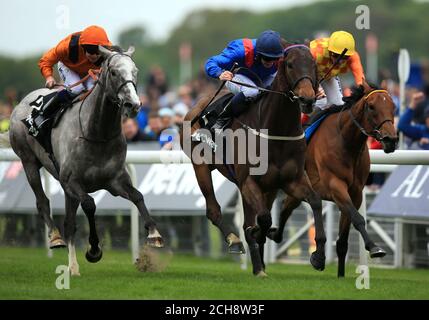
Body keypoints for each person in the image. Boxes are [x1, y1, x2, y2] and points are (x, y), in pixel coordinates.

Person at [30, 25, 112, 133]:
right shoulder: (66, 46)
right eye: (92, 51)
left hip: (90, 72)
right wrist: (49, 77)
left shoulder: (108, 50)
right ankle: (41, 117)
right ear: (83, 47)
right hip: (68, 67)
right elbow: (45, 60)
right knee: (77, 89)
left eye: (99, 51)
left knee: (95, 92)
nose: (96, 56)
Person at [205, 30, 284, 130]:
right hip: (237, 76)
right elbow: (211, 62)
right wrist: (219, 73)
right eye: (267, 58)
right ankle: (222, 119)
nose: (271, 62)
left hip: (262, 78)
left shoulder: (281, 53)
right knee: (252, 91)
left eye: (274, 58)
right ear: (258, 53)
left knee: (276, 92)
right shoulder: (241, 50)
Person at [310, 30, 365, 110]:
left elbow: (360, 80)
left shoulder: (353, 57)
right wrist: (316, 87)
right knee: (320, 102)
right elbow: (304, 72)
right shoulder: (315, 52)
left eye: (345, 57)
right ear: (329, 51)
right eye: (336, 55)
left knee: (338, 105)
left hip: (328, 76)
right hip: (310, 75)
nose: (340, 61)